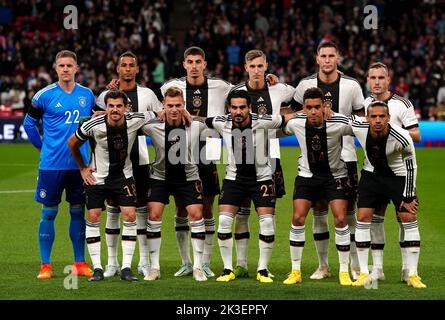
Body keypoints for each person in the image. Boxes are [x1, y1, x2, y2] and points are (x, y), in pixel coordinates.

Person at [67, 89, 160, 282]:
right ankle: (98, 268)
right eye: (111, 106)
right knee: (93, 217)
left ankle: (126, 267)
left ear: (126, 108)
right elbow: (72, 143)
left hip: (123, 177)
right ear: (105, 107)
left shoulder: (135, 119)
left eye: (119, 106)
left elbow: (161, 112)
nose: (115, 109)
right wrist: (83, 168)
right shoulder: (94, 124)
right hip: (97, 178)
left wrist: (181, 112)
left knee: (130, 215)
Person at [205, 90, 295, 283]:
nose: (238, 111)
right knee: (224, 222)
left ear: (249, 108)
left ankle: (262, 269)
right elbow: (203, 120)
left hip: (261, 179)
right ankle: (228, 268)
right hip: (233, 179)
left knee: (267, 223)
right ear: (229, 109)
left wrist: (313, 112)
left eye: (242, 107)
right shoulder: (222, 122)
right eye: (234, 107)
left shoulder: (264, 121)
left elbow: (287, 118)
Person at [292, 40, 365, 280]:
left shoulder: (352, 85)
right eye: (322, 55)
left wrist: (336, 118)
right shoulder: (305, 85)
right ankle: (323, 266)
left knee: (347, 213)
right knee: (319, 211)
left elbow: (360, 122)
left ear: (338, 58)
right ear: (316, 58)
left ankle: (354, 265)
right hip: (313, 161)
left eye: (331, 56)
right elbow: (289, 113)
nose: (326, 60)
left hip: (345, 158)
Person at [160, 46, 232, 278]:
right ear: (184, 64)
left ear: (204, 64)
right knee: (182, 205)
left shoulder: (221, 86)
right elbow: (154, 109)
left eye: (197, 61)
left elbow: (246, 92)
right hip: (180, 146)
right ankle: (185, 261)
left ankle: (206, 262)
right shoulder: (169, 87)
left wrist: (269, 82)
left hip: (209, 147)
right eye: (189, 61)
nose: (193, 65)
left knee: (207, 206)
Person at [23, 50, 95, 280]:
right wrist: (41, 147)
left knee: (77, 213)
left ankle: (80, 263)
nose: (65, 69)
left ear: (76, 68)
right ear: (56, 69)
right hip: (51, 166)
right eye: (61, 65)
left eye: (69, 65)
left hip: (79, 166)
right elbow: (29, 124)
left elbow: (94, 127)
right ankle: (46, 265)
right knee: (49, 213)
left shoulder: (87, 95)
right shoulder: (43, 96)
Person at [230, 49, 295, 278]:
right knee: (241, 211)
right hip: (242, 156)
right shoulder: (235, 92)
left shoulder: (281, 89)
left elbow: (296, 108)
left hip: (271, 156)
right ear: (245, 68)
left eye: (260, 66)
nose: (256, 70)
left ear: (266, 66)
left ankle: (263, 265)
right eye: (252, 66)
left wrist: (283, 131)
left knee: (269, 210)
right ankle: (241, 264)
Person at [97, 51, 162, 278]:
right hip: (112, 164)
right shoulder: (104, 96)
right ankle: (112, 264)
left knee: (140, 210)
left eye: (130, 65)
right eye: (123, 65)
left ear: (137, 69)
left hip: (141, 158)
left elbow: (159, 120)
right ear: (117, 68)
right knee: (114, 209)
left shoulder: (147, 94)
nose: (126, 69)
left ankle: (144, 262)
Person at [350, 101, 426, 289]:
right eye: (373, 116)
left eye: (382, 116)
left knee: (409, 217)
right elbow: (346, 118)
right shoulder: (359, 126)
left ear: (389, 118)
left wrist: (408, 196)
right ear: (367, 118)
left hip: (398, 177)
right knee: (363, 218)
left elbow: (411, 166)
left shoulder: (402, 137)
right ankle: (365, 274)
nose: (377, 120)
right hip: (371, 176)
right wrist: (328, 111)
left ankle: (413, 274)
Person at [282, 87, 354, 286]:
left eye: (317, 107)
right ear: (303, 108)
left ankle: (344, 271)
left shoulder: (338, 122)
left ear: (324, 106)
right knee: (297, 218)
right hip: (307, 176)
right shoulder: (296, 123)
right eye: (309, 108)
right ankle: (295, 270)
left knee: (340, 219)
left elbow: (363, 127)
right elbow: (275, 127)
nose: (313, 112)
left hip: (335, 176)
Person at [142, 87, 207, 282]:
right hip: (160, 177)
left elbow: (214, 119)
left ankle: (197, 267)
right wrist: (154, 113)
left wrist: (193, 115)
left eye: (178, 105)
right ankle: (154, 268)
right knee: (153, 216)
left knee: (196, 215)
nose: (174, 109)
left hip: (188, 177)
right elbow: (129, 118)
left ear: (184, 105)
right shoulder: (152, 125)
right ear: (163, 105)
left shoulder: (195, 125)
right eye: (170, 105)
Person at [364, 62, 421, 281]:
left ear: (388, 79)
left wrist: (393, 132)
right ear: (368, 80)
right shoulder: (365, 103)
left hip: (398, 172)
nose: (377, 82)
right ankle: (377, 269)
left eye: (381, 78)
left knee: (405, 216)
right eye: (373, 78)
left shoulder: (402, 104)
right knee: (375, 219)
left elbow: (416, 135)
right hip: (374, 172)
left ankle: (408, 269)